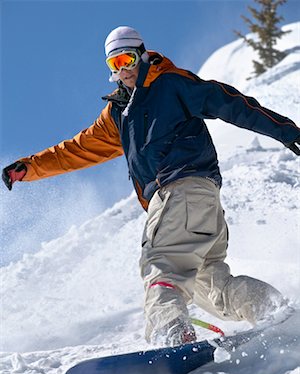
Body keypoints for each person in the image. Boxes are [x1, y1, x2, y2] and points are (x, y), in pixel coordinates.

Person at [3, 26, 300, 346]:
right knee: (213, 288)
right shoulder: (118, 113)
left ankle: (171, 333)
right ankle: (274, 310)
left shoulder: (170, 84)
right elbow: (78, 149)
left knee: (161, 263)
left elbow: (232, 103)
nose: (124, 70)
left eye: (128, 59)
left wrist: (287, 131)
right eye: (114, 65)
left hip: (182, 189)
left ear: (142, 55)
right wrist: (31, 167)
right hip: (198, 207)